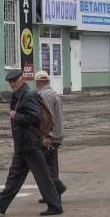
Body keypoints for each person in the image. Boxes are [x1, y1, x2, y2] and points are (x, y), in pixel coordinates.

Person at [0, 69, 63, 216]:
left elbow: (35, 118)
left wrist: (16, 116)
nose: (12, 84)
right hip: (22, 143)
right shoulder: (17, 95)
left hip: (30, 143)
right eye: (10, 82)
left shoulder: (28, 95)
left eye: (14, 81)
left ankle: (55, 206)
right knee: (14, 175)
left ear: (22, 79)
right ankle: (1, 204)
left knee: (42, 175)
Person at [35, 70, 67, 201]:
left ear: (37, 83)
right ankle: (52, 195)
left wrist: (46, 135)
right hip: (56, 135)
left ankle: (58, 188)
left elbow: (48, 117)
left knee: (41, 166)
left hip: (50, 137)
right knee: (51, 167)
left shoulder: (45, 95)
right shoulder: (53, 93)